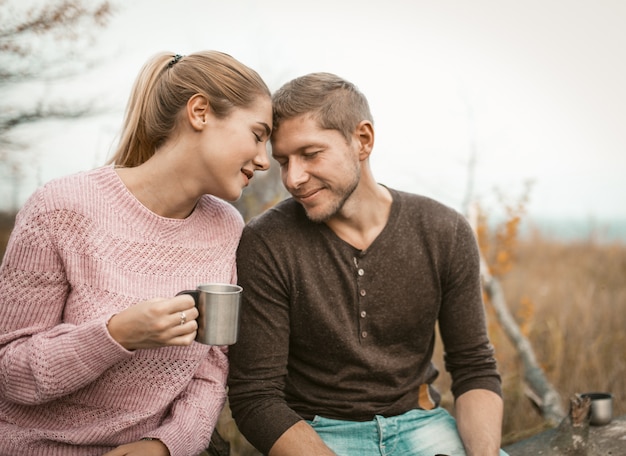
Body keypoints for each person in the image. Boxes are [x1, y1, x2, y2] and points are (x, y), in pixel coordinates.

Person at [0, 50, 272, 456]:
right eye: (257, 134)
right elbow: (10, 371)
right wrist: (116, 334)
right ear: (199, 112)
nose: (265, 160)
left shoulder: (226, 227)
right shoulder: (61, 207)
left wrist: (165, 445)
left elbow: (210, 369)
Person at [228, 72, 508, 456]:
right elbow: (256, 397)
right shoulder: (266, 242)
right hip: (315, 435)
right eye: (283, 161)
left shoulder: (445, 230)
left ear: (363, 140)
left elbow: (474, 366)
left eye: (310, 154)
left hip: (422, 423)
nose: (293, 178)